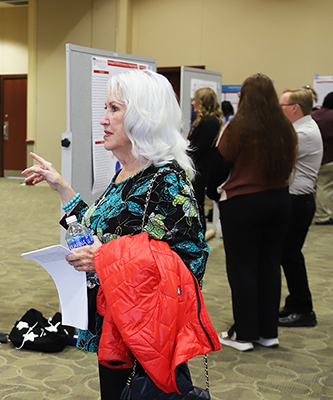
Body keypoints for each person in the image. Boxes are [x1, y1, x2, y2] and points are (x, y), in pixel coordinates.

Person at [23, 70, 212, 399]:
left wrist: (104, 259)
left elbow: (188, 264)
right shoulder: (127, 171)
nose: (103, 120)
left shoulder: (166, 182)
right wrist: (61, 187)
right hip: (115, 322)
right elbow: (99, 229)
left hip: (145, 332)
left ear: (143, 117)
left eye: (114, 109)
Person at [206, 73, 297, 351]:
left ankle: (244, 333)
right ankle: (268, 332)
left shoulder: (238, 127)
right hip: (280, 202)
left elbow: (217, 168)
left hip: (243, 205)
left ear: (243, 98)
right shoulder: (285, 127)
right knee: (269, 265)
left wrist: (212, 193)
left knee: (243, 268)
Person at [276, 88, 323, 327]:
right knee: (288, 255)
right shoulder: (301, 129)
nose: (279, 110)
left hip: (298, 201)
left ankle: (304, 308)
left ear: (295, 108)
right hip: (299, 200)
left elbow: (275, 159)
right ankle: (296, 303)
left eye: (282, 106)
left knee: (290, 255)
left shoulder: (302, 133)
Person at [189, 87, 224, 230]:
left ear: (202, 102)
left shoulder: (211, 123)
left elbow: (199, 148)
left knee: (197, 205)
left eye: (195, 100)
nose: (192, 103)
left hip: (200, 170)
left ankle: (199, 237)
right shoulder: (204, 121)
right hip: (197, 168)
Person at [311, 92, 333, 225]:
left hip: (314, 158)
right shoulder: (332, 116)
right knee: (325, 188)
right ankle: (323, 216)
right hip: (330, 158)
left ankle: (317, 211)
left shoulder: (313, 115)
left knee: (315, 187)